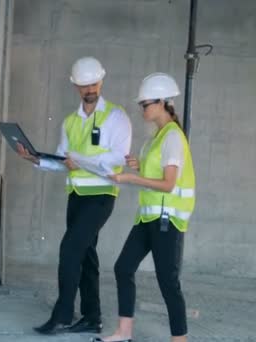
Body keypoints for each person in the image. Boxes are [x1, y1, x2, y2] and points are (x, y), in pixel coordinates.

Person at [17, 56, 132, 335]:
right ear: (75, 87)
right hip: (77, 195)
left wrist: (78, 160)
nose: (89, 89)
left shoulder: (117, 117)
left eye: (93, 83)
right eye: (83, 85)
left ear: (101, 81)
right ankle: (92, 317)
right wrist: (36, 159)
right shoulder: (70, 121)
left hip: (101, 195)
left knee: (70, 249)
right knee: (86, 254)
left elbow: (116, 160)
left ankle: (63, 314)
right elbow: (63, 161)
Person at [93, 72, 196, 342]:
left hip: (166, 220)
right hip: (148, 218)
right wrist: (138, 165)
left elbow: (168, 184)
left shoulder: (173, 136)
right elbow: (157, 171)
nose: (142, 108)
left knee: (168, 282)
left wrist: (131, 178)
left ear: (162, 102)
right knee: (123, 268)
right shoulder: (157, 137)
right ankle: (124, 332)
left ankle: (180, 340)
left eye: (145, 104)